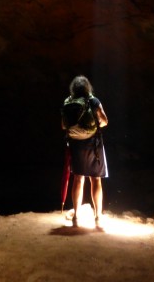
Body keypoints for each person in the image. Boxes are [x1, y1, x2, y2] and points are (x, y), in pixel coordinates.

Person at [61, 75, 108, 229]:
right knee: (96, 180)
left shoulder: (68, 102)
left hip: (76, 145)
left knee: (78, 180)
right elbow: (105, 121)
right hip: (93, 144)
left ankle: (76, 218)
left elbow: (63, 126)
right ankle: (98, 218)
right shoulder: (93, 101)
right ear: (88, 87)